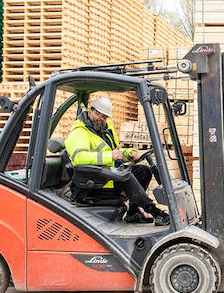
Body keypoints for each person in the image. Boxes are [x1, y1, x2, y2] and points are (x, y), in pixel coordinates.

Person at [64, 97, 169, 226]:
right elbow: (79, 158)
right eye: (98, 114)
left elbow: (115, 152)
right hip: (93, 182)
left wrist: (128, 154)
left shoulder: (105, 131)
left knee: (143, 171)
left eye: (104, 117)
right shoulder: (79, 133)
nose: (101, 119)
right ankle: (154, 211)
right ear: (90, 111)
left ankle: (133, 213)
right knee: (126, 176)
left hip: (106, 175)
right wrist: (109, 156)